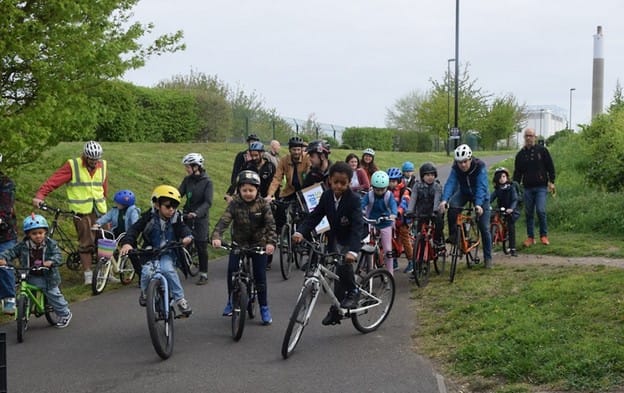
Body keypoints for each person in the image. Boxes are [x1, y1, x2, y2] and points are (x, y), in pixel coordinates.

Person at [293, 162, 365, 326]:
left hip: (351, 238)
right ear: (329, 181)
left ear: (349, 183)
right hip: (335, 237)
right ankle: (337, 309)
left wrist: (353, 251)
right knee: (336, 273)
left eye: (343, 183)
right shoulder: (326, 197)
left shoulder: (353, 200)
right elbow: (315, 216)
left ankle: (354, 291)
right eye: (335, 182)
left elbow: (357, 226)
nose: (339, 186)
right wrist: (300, 232)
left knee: (343, 267)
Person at [32, 141, 108, 285]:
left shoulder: (103, 165)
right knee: (86, 242)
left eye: (96, 159)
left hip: (100, 208)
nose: (94, 162)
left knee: (106, 241)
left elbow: (103, 184)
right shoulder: (73, 165)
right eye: (91, 159)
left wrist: (105, 197)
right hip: (82, 211)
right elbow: (54, 180)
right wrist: (40, 195)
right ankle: (87, 274)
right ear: (85, 156)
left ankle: (104, 272)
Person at [211, 170, 276, 325]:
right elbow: (224, 221)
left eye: (251, 190)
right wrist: (216, 236)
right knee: (232, 271)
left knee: (260, 276)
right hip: (239, 243)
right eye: (244, 190)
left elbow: (271, 225)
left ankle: (264, 308)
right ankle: (231, 301)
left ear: (257, 190)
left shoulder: (263, 205)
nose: (248, 193)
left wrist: (270, 243)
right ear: (239, 190)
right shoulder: (234, 204)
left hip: (258, 244)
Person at [119, 185, 193, 317]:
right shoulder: (149, 217)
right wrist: (127, 243)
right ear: (157, 205)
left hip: (168, 252)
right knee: (146, 272)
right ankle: (145, 293)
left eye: (174, 206)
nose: (171, 210)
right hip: (150, 252)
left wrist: (187, 237)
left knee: (167, 270)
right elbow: (134, 229)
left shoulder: (177, 218)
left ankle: (180, 299)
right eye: (168, 206)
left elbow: (183, 229)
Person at [0, 214, 72, 328]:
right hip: (30, 274)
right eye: (34, 233)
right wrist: (2, 258)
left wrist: (51, 262)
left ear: (45, 232)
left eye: (40, 233)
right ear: (28, 234)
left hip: (47, 276)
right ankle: (23, 318)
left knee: (54, 295)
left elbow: (58, 256)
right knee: (24, 297)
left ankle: (65, 314)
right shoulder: (23, 245)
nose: (38, 236)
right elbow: (11, 252)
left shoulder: (50, 244)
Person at [439, 144, 493, 268]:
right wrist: (444, 200)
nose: (462, 165)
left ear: (470, 159)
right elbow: (450, 183)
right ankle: (454, 235)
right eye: (459, 162)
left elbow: (481, 186)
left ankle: (488, 258)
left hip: (481, 196)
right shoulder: (456, 168)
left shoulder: (480, 166)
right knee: (452, 207)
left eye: (465, 162)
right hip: (464, 192)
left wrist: (478, 205)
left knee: (484, 227)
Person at [513, 128, 556, 247]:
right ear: (524, 138)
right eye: (526, 136)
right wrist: (514, 186)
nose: (528, 138)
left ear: (535, 137)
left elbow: (550, 167)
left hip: (541, 186)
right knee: (529, 213)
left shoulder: (542, 151)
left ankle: (544, 236)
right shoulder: (520, 155)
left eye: (531, 136)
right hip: (527, 188)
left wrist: (552, 181)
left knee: (541, 211)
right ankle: (530, 237)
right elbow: (517, 173)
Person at [179, 153, 213, 285]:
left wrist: (197, 213)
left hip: (200, 217)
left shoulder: (207, 182)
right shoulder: (187, 180)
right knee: (182, 240)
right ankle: (186, 262)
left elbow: (208, 202)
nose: (186, 169)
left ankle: (203, 273)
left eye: (188, 167)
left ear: (196, 167)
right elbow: (179, 194)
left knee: (201, 245)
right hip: (187, 214)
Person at [241, 142, 276, 269]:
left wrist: (271, 196)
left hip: (266, 200)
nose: (254, 157)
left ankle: (268, 256)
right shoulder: (247, 165)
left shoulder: (270, 167)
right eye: (252, 155)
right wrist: (230, 194)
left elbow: (275, 182)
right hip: (250, 200)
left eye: (256, 155)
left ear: (262, 154)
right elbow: (239, 182)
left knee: (267, 225)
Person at [266, 136, 311, 233]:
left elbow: (310, 174)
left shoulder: (307, 158)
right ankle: (280, 234)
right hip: (290, 191)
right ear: (290, 150)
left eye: (299, 149)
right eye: (294, 149)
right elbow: (277, 179)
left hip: (304, 191)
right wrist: (270, 195)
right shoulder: (284, 160)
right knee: (280, 209)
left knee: (305, 214)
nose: (296, 152)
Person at [406, 162, 444, 266]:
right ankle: (419, 262)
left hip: (434, 211)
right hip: (422, 212)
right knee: (420, 236)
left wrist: (435, 210)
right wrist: (409, 211)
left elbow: (437, 199)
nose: (430, 177)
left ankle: (437, 241)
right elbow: (413, 199)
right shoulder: (417, 186)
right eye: (427, 175)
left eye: (432, 175)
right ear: (422, 176)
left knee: (439, 222)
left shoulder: (437, 186)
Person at [361, 171, 398, 275]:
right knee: (367, 246)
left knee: (387, 250)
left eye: (383, 189)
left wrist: (393, 214)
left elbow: (393, 205)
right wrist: (359, 211)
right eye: (377, 189)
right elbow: (362, 204)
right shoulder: (369, 195)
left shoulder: (388, 195)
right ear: (373, 187)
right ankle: (367, 267)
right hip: (371, 222)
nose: (380, 192)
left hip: (385, 223)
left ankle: (390, 273)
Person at [0, 153, 18, 314]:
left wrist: (2, 219)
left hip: (4, 233)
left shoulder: (5, 183)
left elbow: (5, 209)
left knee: (3, 262)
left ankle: (9, 298)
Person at [386, 167, 413, 273]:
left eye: (393, 181)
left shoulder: (404, 190)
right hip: (391, 220)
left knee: (405, 239)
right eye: (390, 181)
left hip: (402, 220)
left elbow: (405, 202)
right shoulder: (387, 190)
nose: (391, 183)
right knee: (391, 240)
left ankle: (411, 261)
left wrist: (398, 211)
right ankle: (394, 261)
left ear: (398, 180)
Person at [491, 167, 520, 256]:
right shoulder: (497, 190)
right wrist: (485, 204)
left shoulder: (511, 188)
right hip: (501, 208)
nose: (502, 179)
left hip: (511, 209)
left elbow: (515, 199)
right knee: (491, 217)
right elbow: (491, 198)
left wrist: (511, 208)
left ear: (507, 177)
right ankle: (492, 235)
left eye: (504, 176)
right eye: (499, 177)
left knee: (511, 226)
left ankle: (512, 248)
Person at [226, 134, 261, 198]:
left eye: (254, 141)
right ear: (248, 143)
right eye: (251, 141)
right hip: (243, 179)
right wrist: (233, 183)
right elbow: (236, 169)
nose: (252, 143)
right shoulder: (242, 155)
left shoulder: (261, 156)